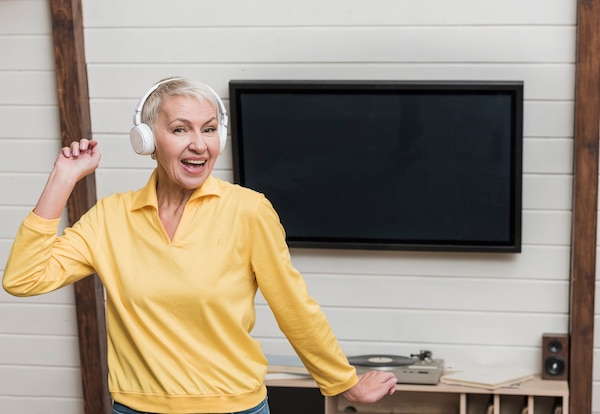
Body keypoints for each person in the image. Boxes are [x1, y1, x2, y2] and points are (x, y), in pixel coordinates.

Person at [3, 77, 397, 414]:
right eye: (180, 129)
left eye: (209, 129)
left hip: (233, 408)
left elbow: (294, 306)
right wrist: (63, 178)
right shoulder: (111, 217)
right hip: (136, 408)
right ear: (146, 140)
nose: (199, 144)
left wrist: (344, 383)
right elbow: (24, 278)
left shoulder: (248, 211)